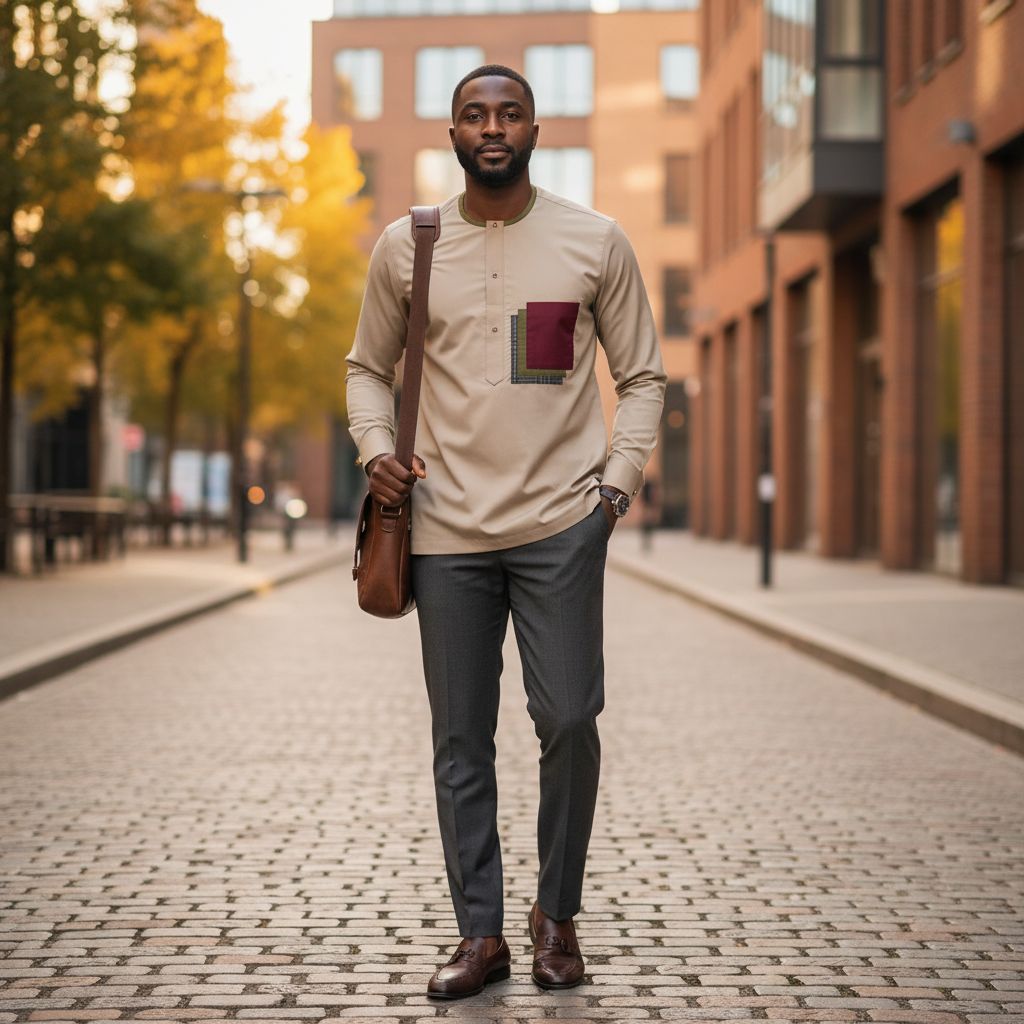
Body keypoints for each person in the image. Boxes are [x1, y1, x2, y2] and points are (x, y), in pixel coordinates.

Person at [345, 64, 666, 1000]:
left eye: (510, 113)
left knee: (569, 720)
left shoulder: (594, 240)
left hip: (562, 524)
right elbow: (366, 368)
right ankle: (480, 933)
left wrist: (613, 495)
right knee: (461, 739)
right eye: (475, 115)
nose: (493, 127)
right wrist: (376, 451)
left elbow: (643, 377)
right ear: (452, 134)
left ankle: (555, 915)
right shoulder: (407, 247)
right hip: (444, 532)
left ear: (534, 129)